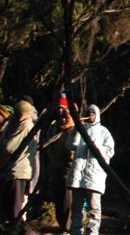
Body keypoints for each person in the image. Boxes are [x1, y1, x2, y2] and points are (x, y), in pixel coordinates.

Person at [66, 104, 114, 235]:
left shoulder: (104, 132)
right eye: (89, 112)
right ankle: (75, 232)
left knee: (94, 209)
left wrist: (95, 147)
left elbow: (110, 151)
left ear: (97, 114)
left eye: (93, 112)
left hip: (94, 176)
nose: (90, 114)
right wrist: (74, 131)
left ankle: (92, 232)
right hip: (78, 176)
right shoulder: (81, 130)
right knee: (76, 208)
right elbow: (70, 146)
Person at [0, 97, 38, 234]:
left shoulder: (25, 125)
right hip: (12, 171)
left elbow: (9, 147)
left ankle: (26, 233)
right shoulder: (18, 124)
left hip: (18, 171)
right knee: (10, 209)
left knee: (15, 210)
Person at [43, 93, 75, 232]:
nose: (60, 112)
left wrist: (69, 162)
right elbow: (49, 146)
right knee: (57, 198)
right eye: (59, 108)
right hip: (55, 168)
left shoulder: (73, 127)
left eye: (63, 108)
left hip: (67, 169)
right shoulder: (52, 127)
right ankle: (61, 224)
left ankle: (67, 227)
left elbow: (73, 147)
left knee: (66, 200)